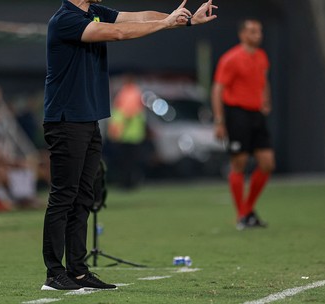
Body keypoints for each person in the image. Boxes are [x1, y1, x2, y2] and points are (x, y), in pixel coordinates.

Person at [41, 0, 217, 291]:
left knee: (85, 196)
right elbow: (119, 33)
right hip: (65, 119)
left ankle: (79, 271)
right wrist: (165, 23)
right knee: (63, 197)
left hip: (88, 118)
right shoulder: (64, 20)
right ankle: (53, 273)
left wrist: (183, 19)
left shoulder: (93, 11)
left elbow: (138, 16)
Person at [211, 18, 274, 230]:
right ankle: (242, 215)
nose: (258, 34)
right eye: (253, 31)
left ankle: (247, 210)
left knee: (267, 163)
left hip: (256, 114)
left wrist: (266, 100)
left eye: (260, 30)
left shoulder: (262, 57)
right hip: (237, 113)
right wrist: (219, 121)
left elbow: (263, 81)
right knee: (240, 163)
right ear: (243, 34)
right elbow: (217, 89)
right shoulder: (231, 59)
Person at [107, 75, 146, 189]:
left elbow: (127, 113)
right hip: (133, 133)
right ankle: (130, 182)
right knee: (130, 161)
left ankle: (127, 183)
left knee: (125, 162)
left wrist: (116, 130)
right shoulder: (135, 92)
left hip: (127, 133)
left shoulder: (128, 93)